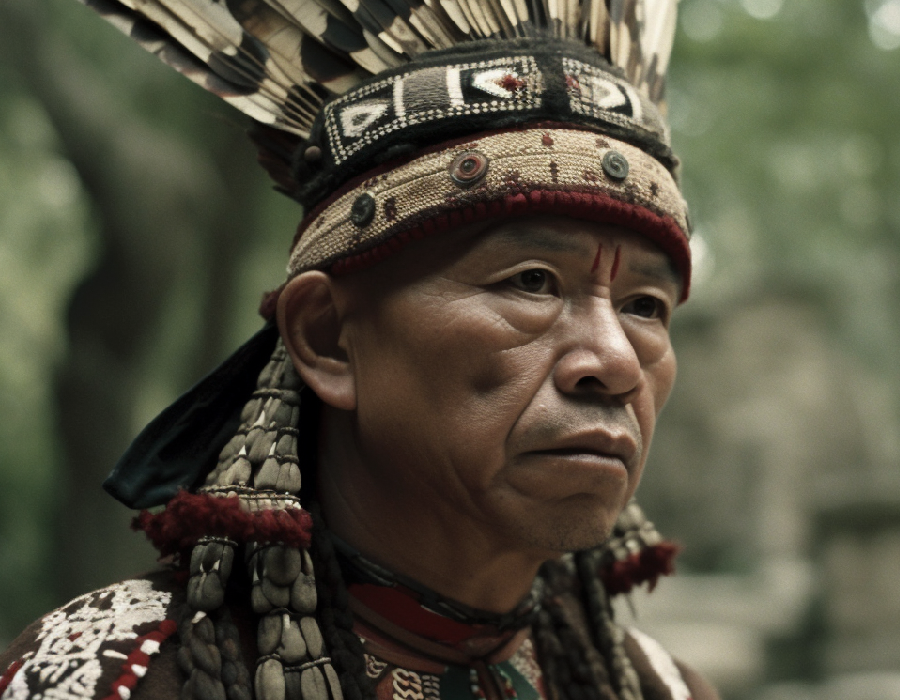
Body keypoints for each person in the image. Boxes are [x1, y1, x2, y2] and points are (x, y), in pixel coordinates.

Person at [0, 1, 719, 699]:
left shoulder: (659, 687)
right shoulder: (109, 678)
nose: (616, 361)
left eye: (644, 307)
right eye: (531, 282)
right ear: (327, 338)